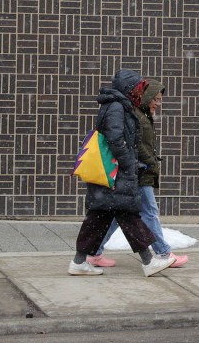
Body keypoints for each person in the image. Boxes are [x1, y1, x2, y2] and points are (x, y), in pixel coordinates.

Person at [69, 69, 177, 277]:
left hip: (113, 171)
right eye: (138, 89)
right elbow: (116, 139)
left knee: (99, 218)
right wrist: (130, 163)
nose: (140, 93)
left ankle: (79, 261)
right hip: (116, 171)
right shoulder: (117, 107)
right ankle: (148, 261)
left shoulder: (119, 105)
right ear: (129, 89)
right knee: (128, 215)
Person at [86, 79, 188, 268]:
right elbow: (133, 144)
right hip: (139, 170)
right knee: (148, 212)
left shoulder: (142, 114)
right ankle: (163, 253)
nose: (158, 103)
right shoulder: (134, 114)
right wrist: (146, 163)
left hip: (138, 168)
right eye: (155, 99)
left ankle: (93, 253)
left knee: (118, 214)